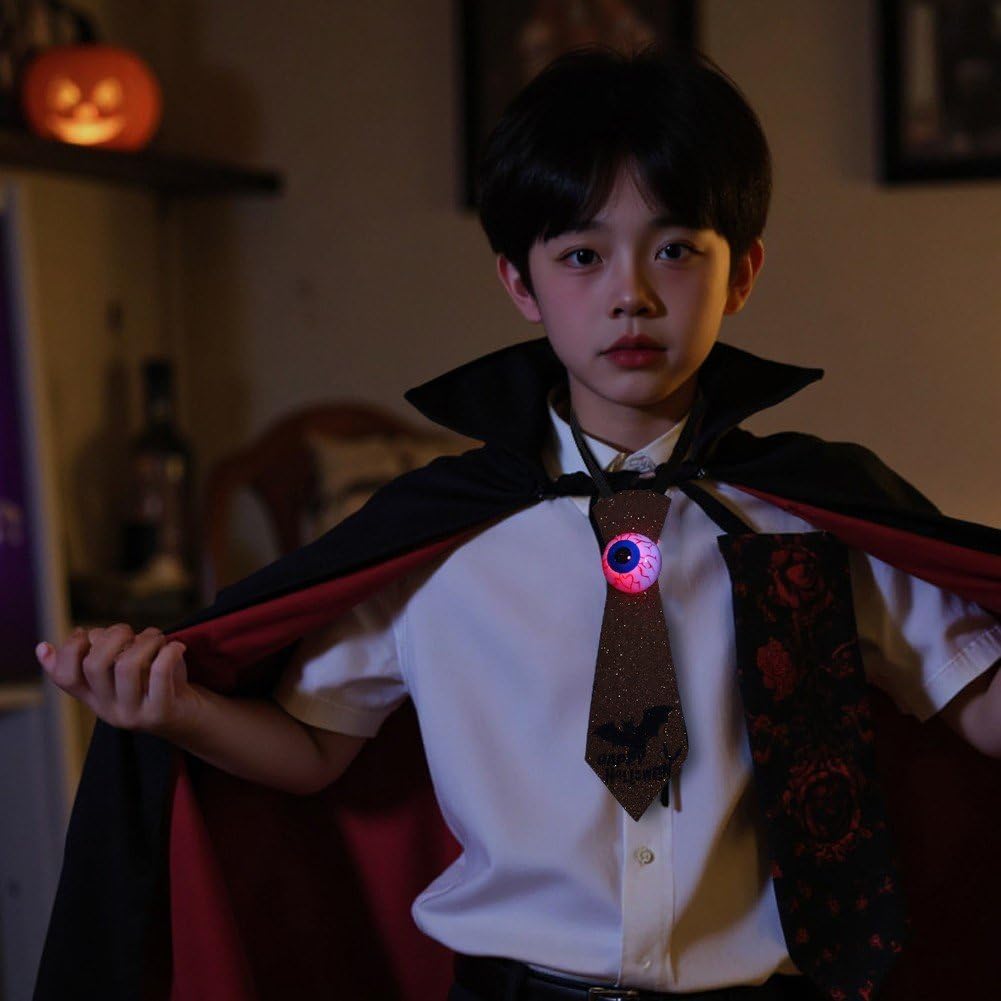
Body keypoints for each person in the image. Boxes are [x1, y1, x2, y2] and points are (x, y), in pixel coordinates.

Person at [35, 46, 1001, 1001]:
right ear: (519, 284)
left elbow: (976, 703)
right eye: (581, 255)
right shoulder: (438, 540)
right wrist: (173, 709)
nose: (630, 293)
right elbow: (312, 749)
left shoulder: (811, 523)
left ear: (740, 272)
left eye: (674, 249)